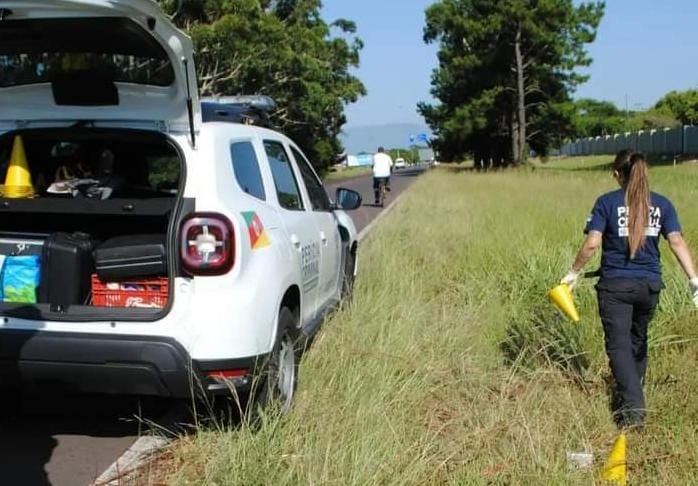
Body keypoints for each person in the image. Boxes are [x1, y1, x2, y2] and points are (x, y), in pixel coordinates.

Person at [560, 150, 698, 429]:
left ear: (616, 175)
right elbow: (677, 243)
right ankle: (629, 399)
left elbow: (591, 244)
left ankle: (634, 410)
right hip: (649, 286)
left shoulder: (606, 203)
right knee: (638, 341)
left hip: (615, 287)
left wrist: (573, 273)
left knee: (618, 346)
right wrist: (694, 280)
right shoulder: (661, 204)